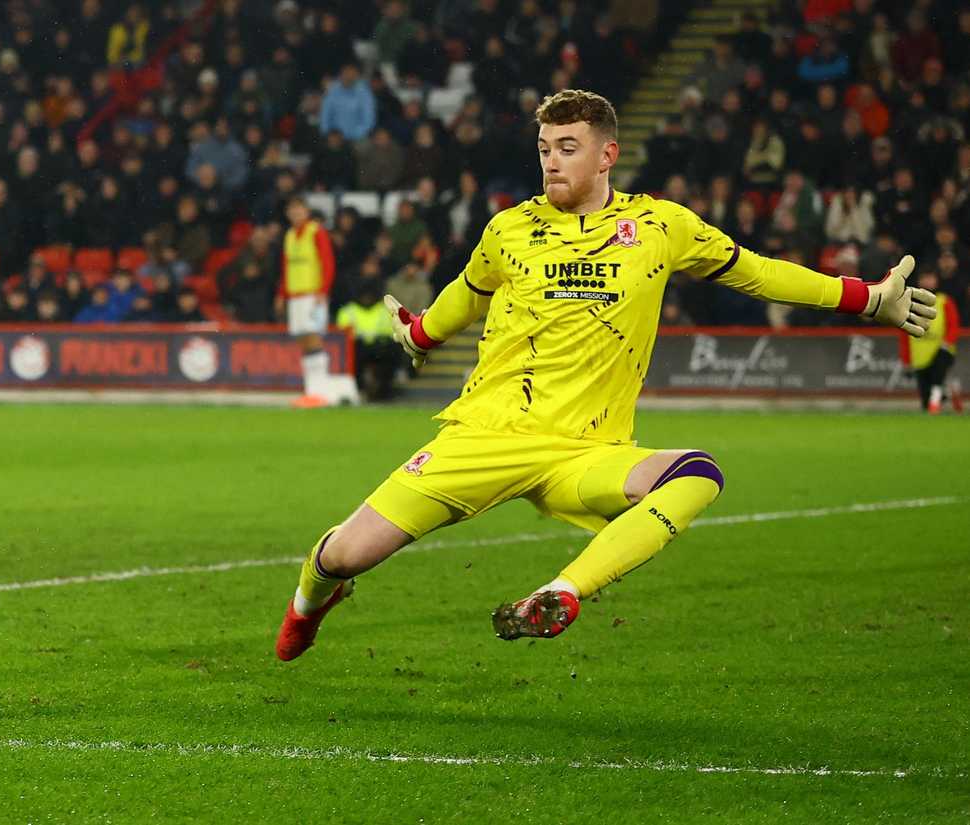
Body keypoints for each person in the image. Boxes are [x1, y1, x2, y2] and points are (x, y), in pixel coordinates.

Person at [275, 90, 937, 659]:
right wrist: (420, 334)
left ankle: (562, 592)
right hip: (484, 437)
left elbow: (759, 270)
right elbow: (466, 292)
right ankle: (309, 598)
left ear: (606, 155)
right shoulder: (509, 228)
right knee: (347, 554)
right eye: (544, 147)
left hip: (587, 451)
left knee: (697, 474)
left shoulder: (659, 226)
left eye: (567, 146)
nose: (551, 160)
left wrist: (866, 297)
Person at [278, 197, 335, 406]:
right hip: (295, 296)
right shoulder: (290, 235)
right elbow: (286, 267)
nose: (296, 213)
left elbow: (327, 261)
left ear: (306, 211)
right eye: (292, 210)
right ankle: (310, 390)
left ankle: (320, 391)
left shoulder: (316, 231)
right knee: (303, 341)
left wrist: (323, 290)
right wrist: (281, 294)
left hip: (313, 294)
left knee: (314, 337)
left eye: (299, 209)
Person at [900, 269, 960, 414]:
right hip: (920, 355)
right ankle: (946, 394)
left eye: (930, 277)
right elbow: (904, 332)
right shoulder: (910, 302)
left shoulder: (944, 301)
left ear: (936, 280)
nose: (927, 281)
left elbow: (953, 325)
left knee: (937, 376)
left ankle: (936, 402)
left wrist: (946, 343)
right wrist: (906, 360)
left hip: (941, 350)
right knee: (925, 398)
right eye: (924, 278)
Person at [334, 282, 400, 401]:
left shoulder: (385, 310)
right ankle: (359, 391)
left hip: (380, 348)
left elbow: (393, 334)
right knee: (353, 358)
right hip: (357, 349)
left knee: (391, 355)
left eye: (370, 295)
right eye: (364, 295)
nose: (367, 298)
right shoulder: (348, 311)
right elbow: (341, 338)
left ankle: (383, 393)